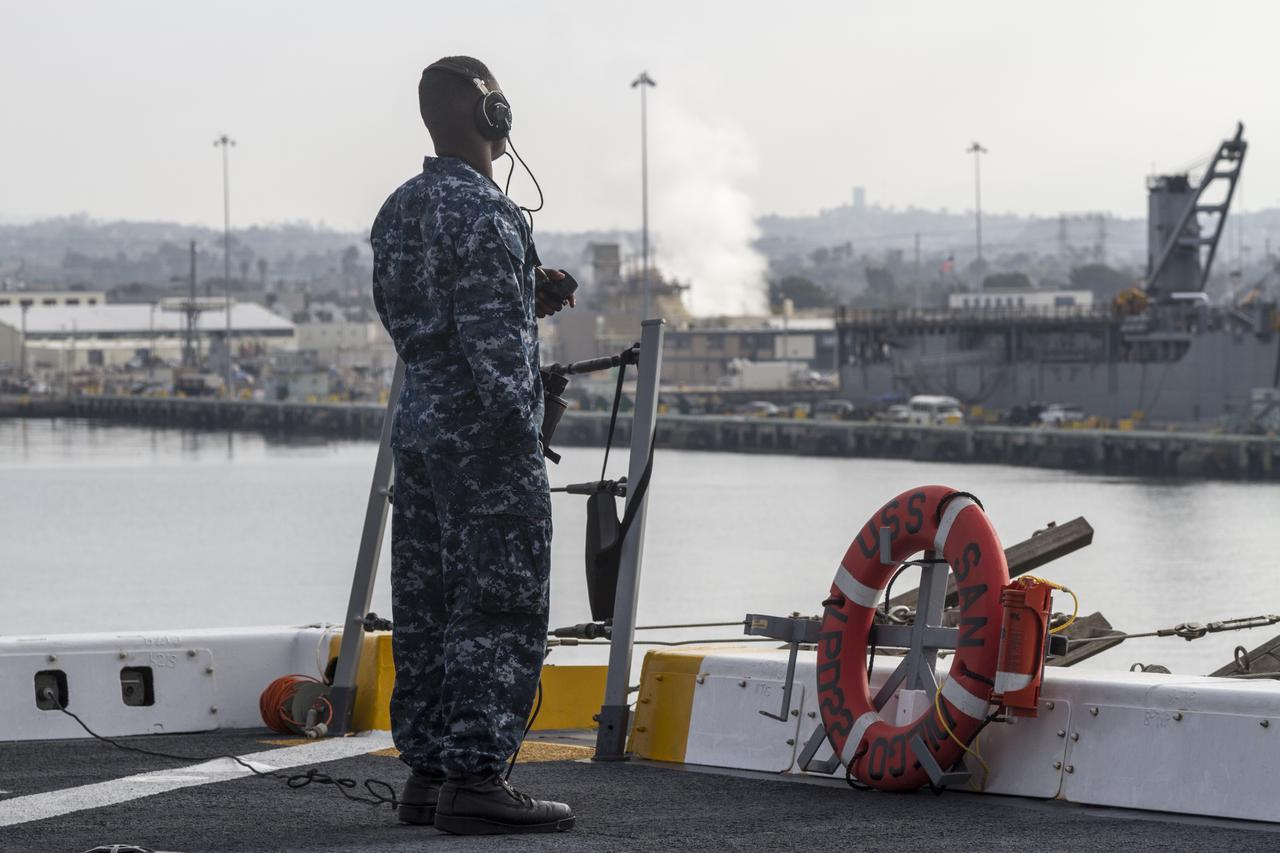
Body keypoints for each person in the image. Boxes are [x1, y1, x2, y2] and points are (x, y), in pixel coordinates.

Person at [370, 55, 575, 836]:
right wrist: (521, 438)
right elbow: (494, 356)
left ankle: (428, 773)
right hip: (485, 446)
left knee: (427, 604)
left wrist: (527, 296)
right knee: (499, 602)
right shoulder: (489, 216)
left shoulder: (400, 209)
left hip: (420, 433)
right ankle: (479, 776)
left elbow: (428, 316)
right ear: (494, 116)